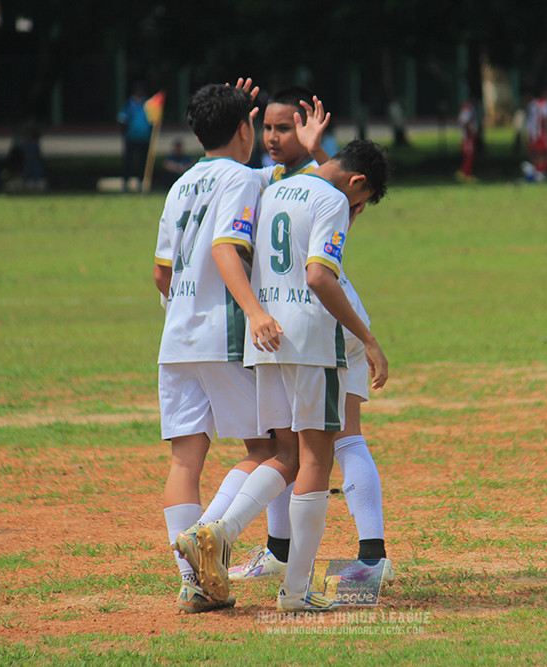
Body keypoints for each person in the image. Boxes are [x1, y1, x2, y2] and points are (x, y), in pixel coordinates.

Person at [179, 140, 391, 613]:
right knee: (317, 458)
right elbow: (320, 276)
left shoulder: (275, 189)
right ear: (357, 184)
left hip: (267, 337)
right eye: (361, 202)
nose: (355, 211)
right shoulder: (332, 199)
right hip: (314, 340)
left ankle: (217, 532)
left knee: (286, 453)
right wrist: (369, 340)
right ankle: (296, 591)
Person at [226, 88, 394, 586]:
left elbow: (330, 190)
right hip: (318, 320)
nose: (356, 211)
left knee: (317, 441)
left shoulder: (279, 187)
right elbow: (332, 202)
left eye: (284, 128)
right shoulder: (303, 185)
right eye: (269, 128)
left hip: (301, 322)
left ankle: (362, 558)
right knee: (311, 442)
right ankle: (304, 557)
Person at [154, 80, 291, 614]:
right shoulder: (243, 177)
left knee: (184, 461)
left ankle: (195, 582)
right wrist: (253, 310)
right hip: (224, 335)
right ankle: (216, 535)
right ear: (245, 129)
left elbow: (162, 272)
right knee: (279, 451)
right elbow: (226, 245)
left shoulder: (180, 184)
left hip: (177, 337)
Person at [118, 83, 153, 192]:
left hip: (144, 138)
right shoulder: (129, 104)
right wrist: (124, 134)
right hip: (131, 137)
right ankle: (126, 183)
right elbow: (122, 119)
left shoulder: (148, 103)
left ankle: (141, 183)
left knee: (142, 162)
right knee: (129, 162)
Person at [456, 96, 479, 183]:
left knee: (469, 155)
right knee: (469, 155)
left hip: (469, 135)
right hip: (468, 136)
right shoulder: (468, 107)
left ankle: (464, 171)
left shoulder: (470, 107)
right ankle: (466, 174)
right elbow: (464, 121)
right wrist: (471, 131)